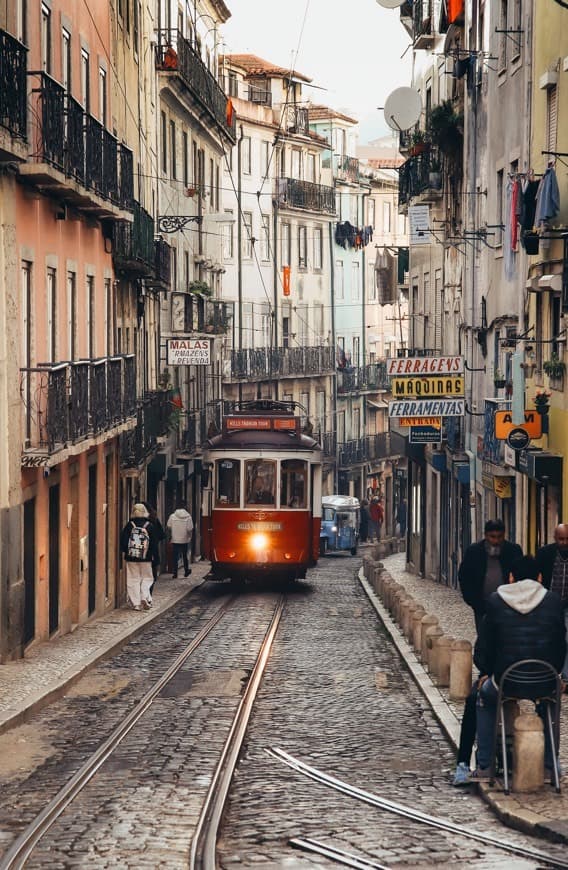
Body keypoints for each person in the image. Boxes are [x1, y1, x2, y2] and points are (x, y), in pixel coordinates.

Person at [471, 555, 566, 780]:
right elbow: (561, 644)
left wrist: (485, 671)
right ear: (540, 577)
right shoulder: (553, 601)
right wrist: (557, 674)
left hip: (507, 681)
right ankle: (551, 766)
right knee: (551, 703)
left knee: (483, 698)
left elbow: (485, 644)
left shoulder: (495, 601)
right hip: (545, 679)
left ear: (511, 576)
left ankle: (485, 766)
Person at [458, 519, 523, 634]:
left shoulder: (513, 551)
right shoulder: (474, 551)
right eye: (492, 537)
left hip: (508, 605)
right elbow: (464, 576)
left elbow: (521, 575)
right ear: (486, 535)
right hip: (482, 606)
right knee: (484, 638)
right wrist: (473, 601)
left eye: (499, 537)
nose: (496, 540)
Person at [537, 523, 568, 682]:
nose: (564, 543)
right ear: (555, 538)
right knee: (549, 638)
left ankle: (566, 677)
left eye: (567, 539)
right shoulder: (545, 554)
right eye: (561, 539)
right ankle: (549, 673)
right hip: (550, 604)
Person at [120, 503, 160, 611]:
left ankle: (136, 603)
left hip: (131, 558)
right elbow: (154, 544)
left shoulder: (129, 525)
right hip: (146, 558)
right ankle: (144, 597)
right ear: (145, 512)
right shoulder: (149, 526)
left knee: (133, 579)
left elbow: (123, 542)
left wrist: (128, 552)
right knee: (147, 578)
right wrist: (155, 557)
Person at [166, 502, 194, 578]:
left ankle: (175, 573)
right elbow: (190, 528)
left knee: (175, 556)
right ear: (185, 507)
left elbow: (168, 526)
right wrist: (189, 536)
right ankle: (186, 570)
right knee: (185, 556)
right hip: (184, 539)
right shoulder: (188, 517)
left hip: (175, 539)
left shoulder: (172, 516)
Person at [144, 502, 165, 594]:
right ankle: (148, 595)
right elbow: (162, 535)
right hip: (152, 552)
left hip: (138, 553)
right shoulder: (154, 520)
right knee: (151, 575)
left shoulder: (135, 522)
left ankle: (141, 597)